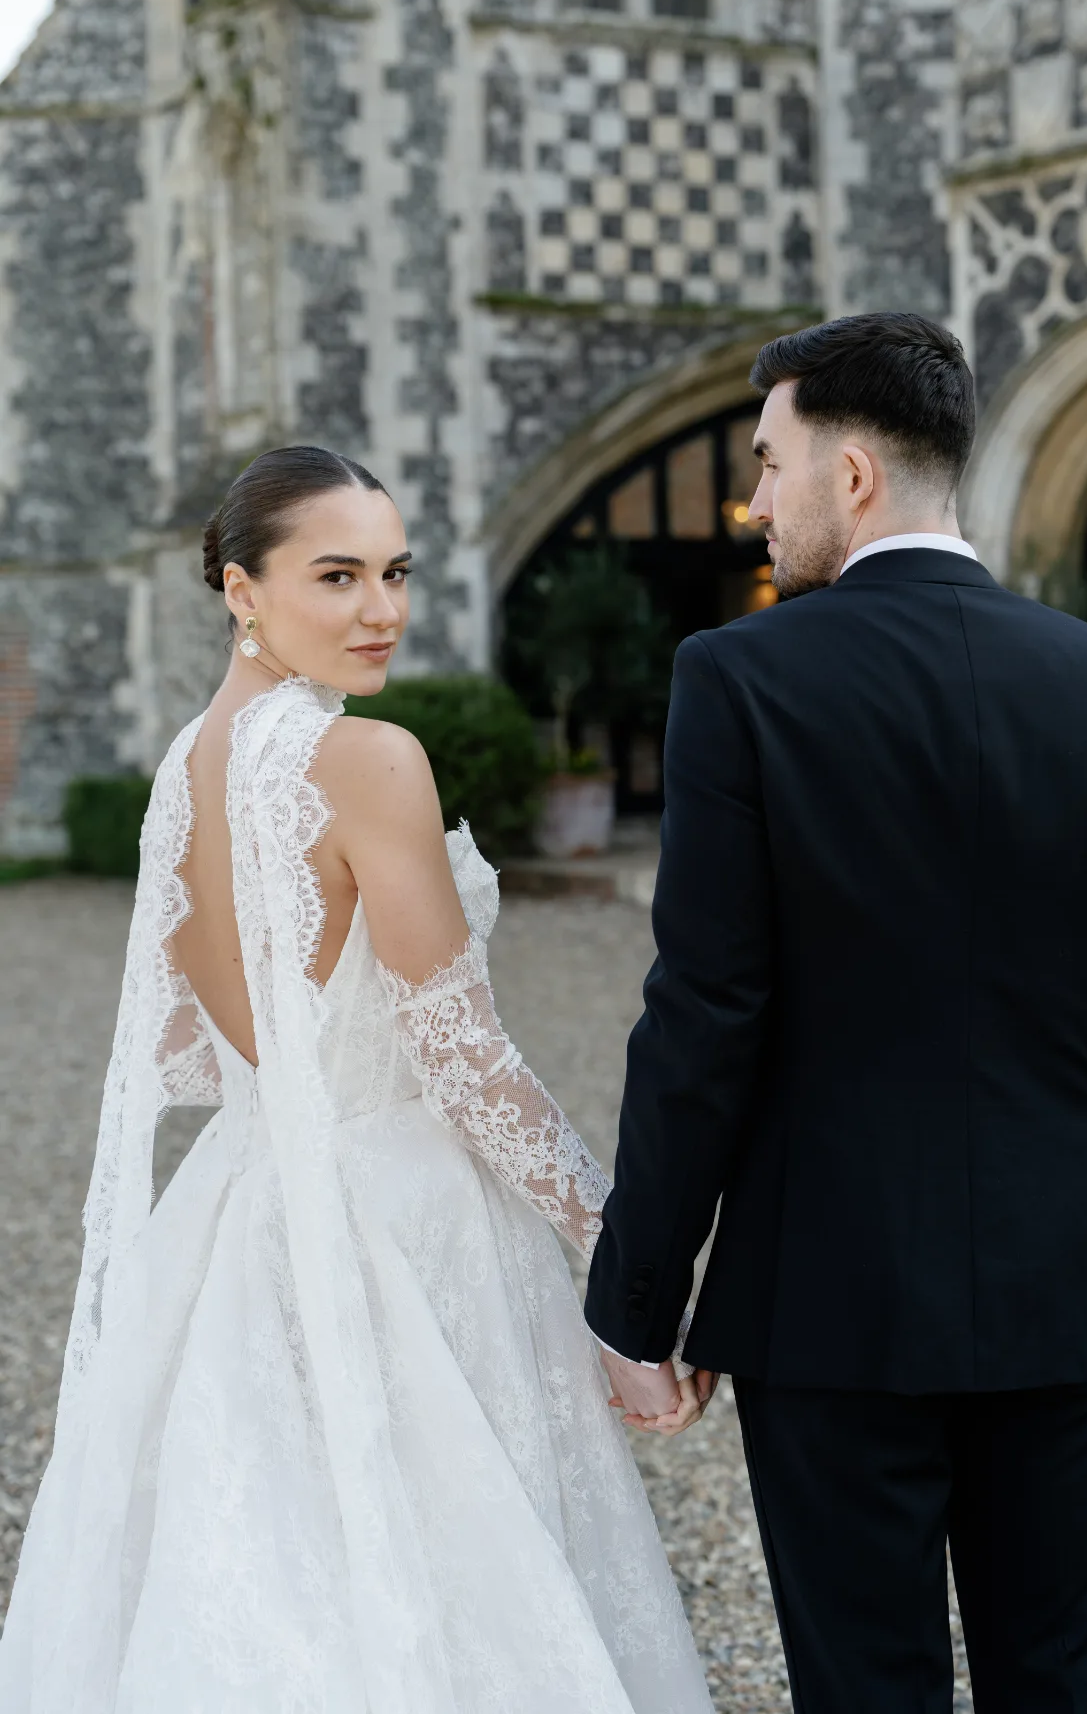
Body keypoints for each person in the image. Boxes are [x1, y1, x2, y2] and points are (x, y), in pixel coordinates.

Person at [0, 446, 715, 1712]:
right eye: (336, 576)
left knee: (275, 1567)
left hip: (240, 1208)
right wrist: (619, 1250)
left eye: (394, 572)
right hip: (399, 1209)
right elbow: (465, 1056)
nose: (381, 609)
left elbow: (206, 1052)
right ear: (242, 589)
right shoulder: (369, 761)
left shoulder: (178, 777)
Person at [585, 311, 1087, 1712]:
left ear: (852, 475)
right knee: (1062, 1665)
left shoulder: (738, 678)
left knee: (866, 1681)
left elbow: (705, 1015)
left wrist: (638, 1298)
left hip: (826, 1290)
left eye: (768, 462)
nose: (755, 501)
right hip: (1055, 1278)